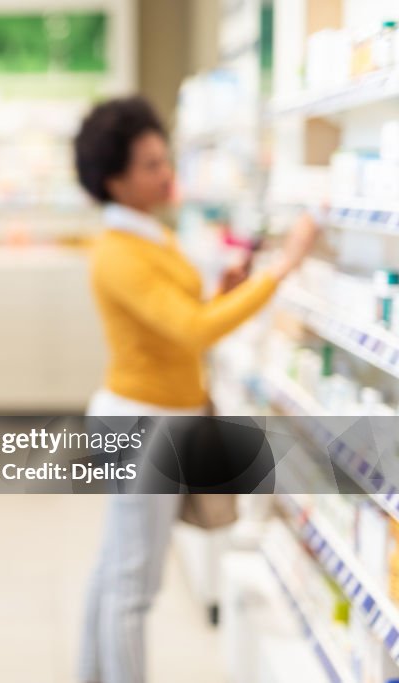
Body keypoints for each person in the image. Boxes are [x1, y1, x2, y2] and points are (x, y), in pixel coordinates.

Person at [73, 96, 317, 683]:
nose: (166, 174)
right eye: (151, 165)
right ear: (116, 180)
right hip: (141, 424)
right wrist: (280, 270)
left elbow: (180, 321)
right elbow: (194, 331)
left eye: (165, 159)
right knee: (134, 586)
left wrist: (226, 291)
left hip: (153, 415)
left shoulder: (148, 236)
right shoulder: (118, 252)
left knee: (115, 571)